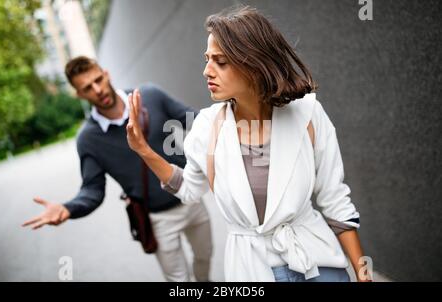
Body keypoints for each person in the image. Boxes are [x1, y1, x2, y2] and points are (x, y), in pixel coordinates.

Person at [126, 6, 372, 282]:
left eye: (220, 62)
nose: (207, 71)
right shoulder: (207, 127)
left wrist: (363, 274)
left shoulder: (308, 114)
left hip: (318, 263)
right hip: (253, 269)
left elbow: (335, 199)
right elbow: (189, 189)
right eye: (207, 59)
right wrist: (143, 150)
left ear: (254, 65)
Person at [22, 56, 213, 282]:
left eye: (98, 80)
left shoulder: (150, 95)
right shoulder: (88, 139)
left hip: (191, 198)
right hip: (157, 219)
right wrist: (69, 208)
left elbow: (194, 120)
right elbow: (92, 190)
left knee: (204, 258)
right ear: (79, 95)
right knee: (178, 280)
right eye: (87, 88)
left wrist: (233, 115)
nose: (98, 89)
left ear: (106, 74)